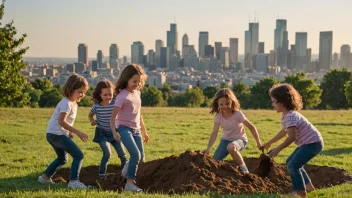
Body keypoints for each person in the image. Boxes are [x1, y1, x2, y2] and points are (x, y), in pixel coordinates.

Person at [261, 83, 324, 198]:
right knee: (290, 162)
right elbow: (283, 132)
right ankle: (308, 186)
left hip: (312, 144)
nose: (272, 104)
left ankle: (300, 192)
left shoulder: (290, 116)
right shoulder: (286, 115)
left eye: (274, 101)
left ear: (283, 102)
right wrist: (268, 143)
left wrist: (278, 149)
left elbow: (291, 137)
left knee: (293, 165)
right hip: (308, 144)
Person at [38, 74, 90, 189]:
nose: (82, 95)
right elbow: (61, 121)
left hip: (53, 134)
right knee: (78, 155)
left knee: (62, 158)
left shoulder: (73, 103)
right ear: (70, 89)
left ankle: (45, 178)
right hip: (56, 135)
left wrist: (69, 132)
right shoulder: (66, 103)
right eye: (80, 92)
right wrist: (77, 132)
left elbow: (65, 123)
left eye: (84, 92)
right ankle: (73, 182)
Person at [203, 88, 262, 173]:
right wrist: (208, 148)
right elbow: (214, 133)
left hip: (240, 140)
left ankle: (244, 170)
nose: (224, 106)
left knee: (231, 147)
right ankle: (226, 173)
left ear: (232, 101)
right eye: (221, 104)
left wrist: (258, 143)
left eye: (227, 103)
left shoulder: (238, 114)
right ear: (217, 104)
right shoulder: (218, 116)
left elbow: (252, 127)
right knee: (215, 161)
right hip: (225, 141)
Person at [110, 64, 149, 192]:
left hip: (136, 129)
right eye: (134, 81)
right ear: (127, 79)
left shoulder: (137, 93)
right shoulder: (122, 96)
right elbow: (113, 117)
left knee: (141, 157)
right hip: (123, 128)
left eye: (139, 81)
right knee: (135, 154)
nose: (137, 84)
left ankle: (125, 172)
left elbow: (139, 114)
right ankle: (129, 184)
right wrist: (114, 131)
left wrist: (144, 131)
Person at [88, 80, 127, 180]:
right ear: (99, 94)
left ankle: (124, 173)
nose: (108, 97)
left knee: (123, 155)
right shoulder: (96, 107)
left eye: (110, 94)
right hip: (102, 133)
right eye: (105, 95)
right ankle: (102, 174)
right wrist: (92, 120)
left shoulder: (115, 103)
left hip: (115, 132)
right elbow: (90, 115)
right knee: (107, 153)